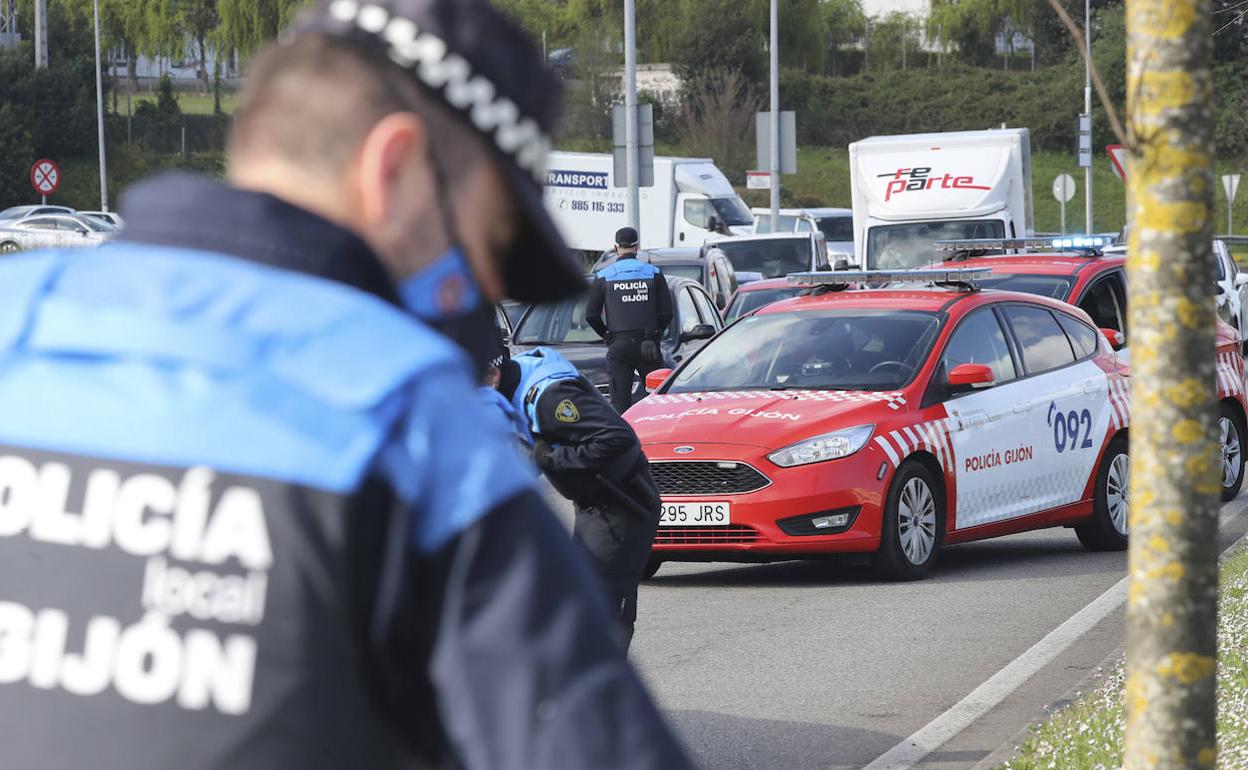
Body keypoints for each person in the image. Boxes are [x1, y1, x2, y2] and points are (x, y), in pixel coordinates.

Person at [0, 2, 695, 769]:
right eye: (490, 238)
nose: (485, 283)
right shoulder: (406, 422)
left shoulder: (14, 315)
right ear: (392, 169)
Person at [498, 348, 662, 650]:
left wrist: (554, 459)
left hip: (624, 505)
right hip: (594, 504)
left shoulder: (551, 397)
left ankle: (609, 692)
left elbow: (618, 439)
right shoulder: (515, 385)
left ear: (491, 374)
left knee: (602, 612)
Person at [586, 227, 673, 412]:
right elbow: (666, 313)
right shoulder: (654, 273)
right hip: (648, 345)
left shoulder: (603, 276)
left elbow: (591, 315)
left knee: (620, 405)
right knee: (657, 402)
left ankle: (624, 439)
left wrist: (606, 334)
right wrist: (655, 334)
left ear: (615, 247)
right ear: (637, 247)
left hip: (619, 346)